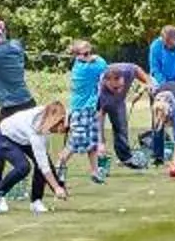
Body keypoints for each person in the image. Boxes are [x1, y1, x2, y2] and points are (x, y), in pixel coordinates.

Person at [0, 99, 53, 211]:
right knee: (23, 167)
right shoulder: (36, 133)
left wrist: (57, 186)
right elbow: (44, 165)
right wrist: (56, 187)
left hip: (22, 137)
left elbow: (43, 162)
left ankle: (36, 201)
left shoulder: (44, 128)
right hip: (5, 137)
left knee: (39, 162)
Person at [94, 58, 151, 175]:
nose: (119, 90)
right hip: (105, 101)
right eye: (115, 88)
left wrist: (148, 83)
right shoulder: (101, 92)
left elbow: (137, 69)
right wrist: (101, 142)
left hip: (119, 103)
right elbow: (99, 118)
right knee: (95, 136)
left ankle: (126, 158)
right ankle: (98, 162)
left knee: (121, 129)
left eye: (121, 86)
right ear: (106, 81)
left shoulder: (127, 71)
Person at [65, 40, 109, 180]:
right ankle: (58, 165)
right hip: (80, 110)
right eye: (85, 54)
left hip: (91, 109)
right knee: (75, 143)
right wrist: (96, 58)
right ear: (77, 56)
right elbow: (103, 66)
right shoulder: (84, 69)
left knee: (93, 144)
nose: (89, 55)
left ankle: (95, 172)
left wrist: (89, 58)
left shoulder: (82, 63)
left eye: (90, 52)